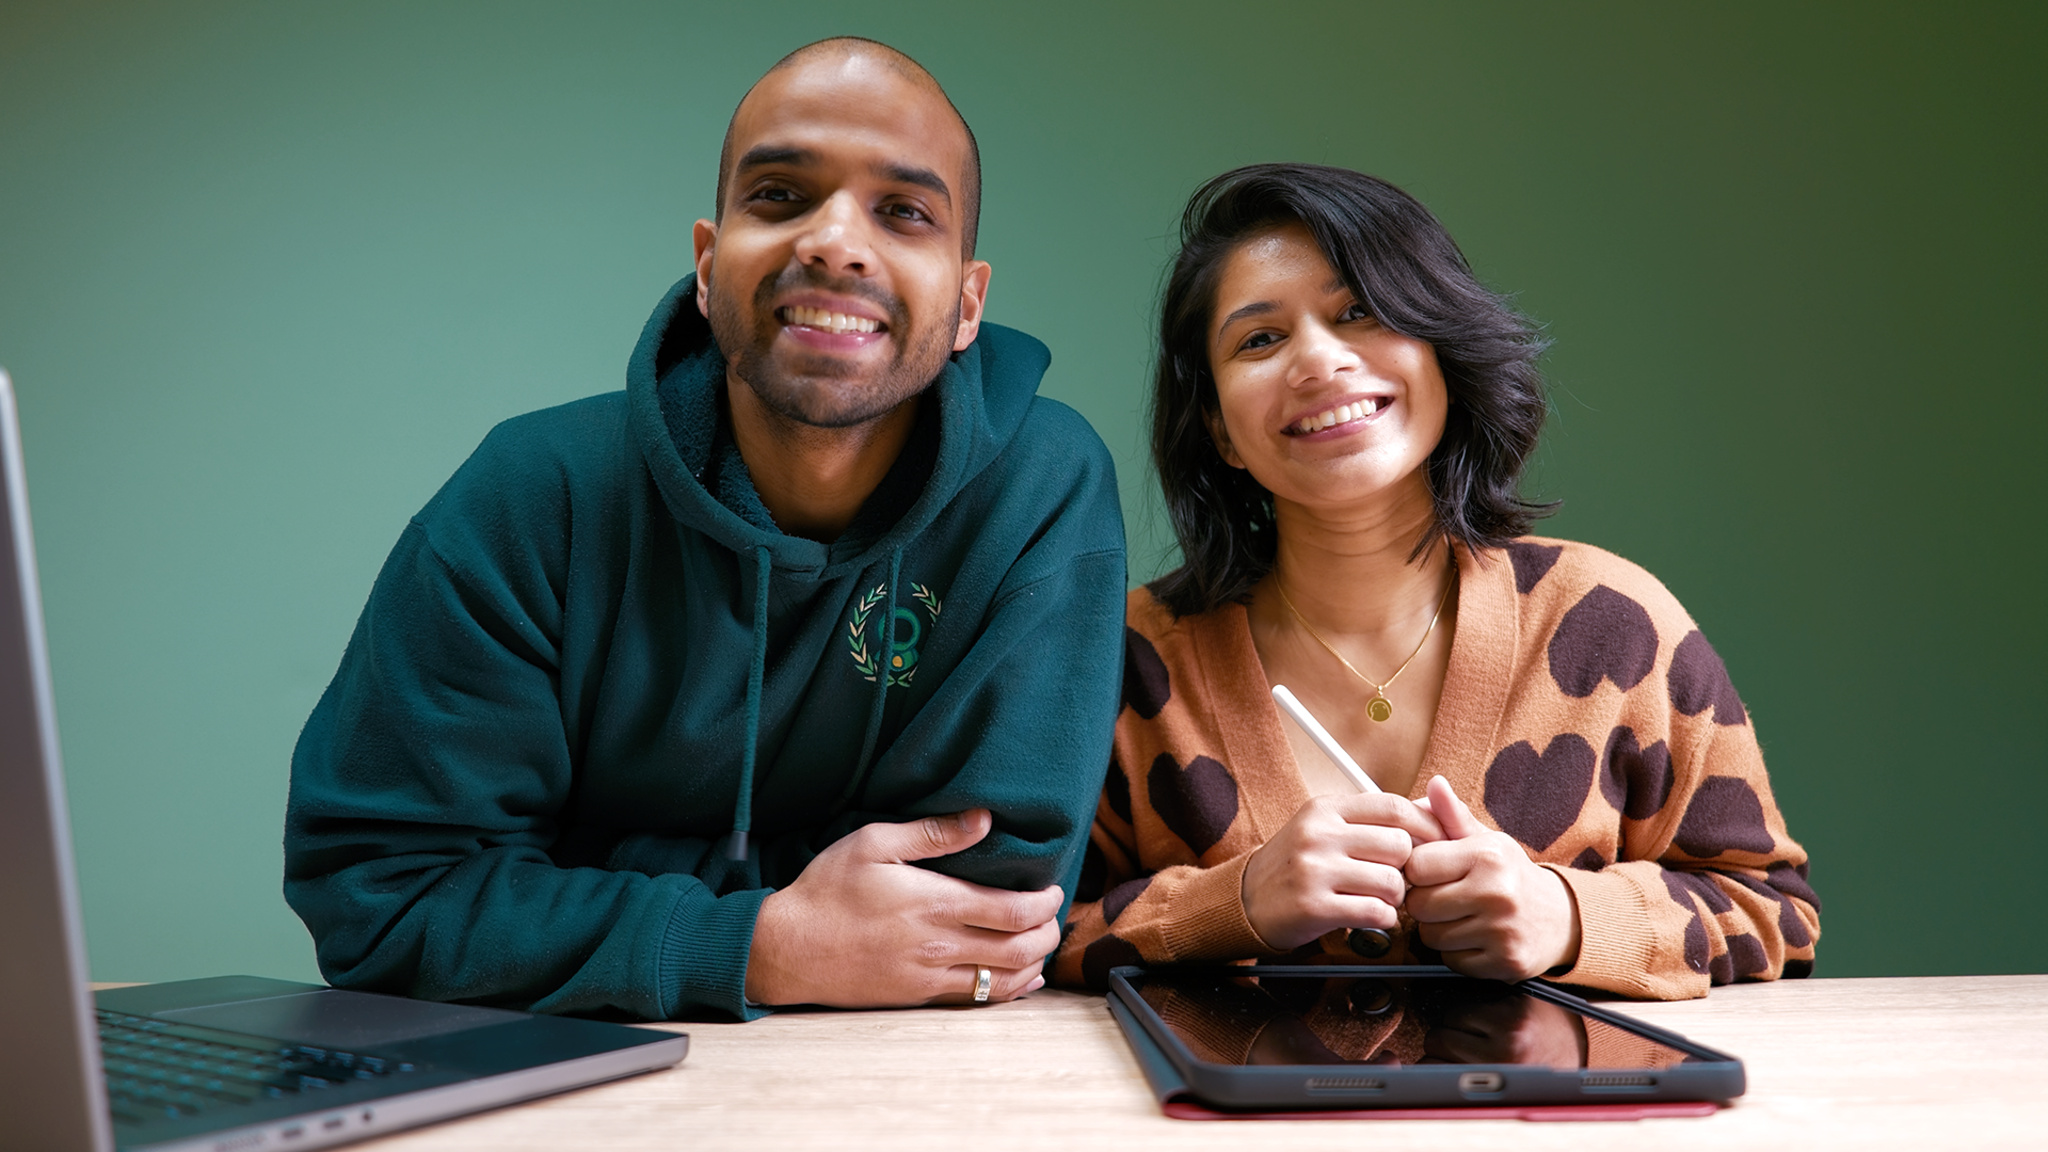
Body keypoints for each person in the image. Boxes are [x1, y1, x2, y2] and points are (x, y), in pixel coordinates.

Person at [284, 38, 1127, 1022]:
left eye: (902, 212)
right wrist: (762, 945)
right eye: (777, 197)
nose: (834, 243)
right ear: (706, 261)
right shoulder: (528, 494)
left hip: (909, 1086)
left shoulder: (1040, 485)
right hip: (566, 1092)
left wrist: (569, 878)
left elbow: (987, 903)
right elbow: (380, 895)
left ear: (968, 303)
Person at [1052, 164, 1817, 999]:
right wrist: (1232, 902)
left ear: (1442, 355)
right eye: (1259, 340)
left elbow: (1775, 912)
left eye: (1359, 312)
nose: (1319, 359)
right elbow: (1032, 931)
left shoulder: (1615, 625)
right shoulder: (1124, 662)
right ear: (1220, 430)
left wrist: (1565, 917)